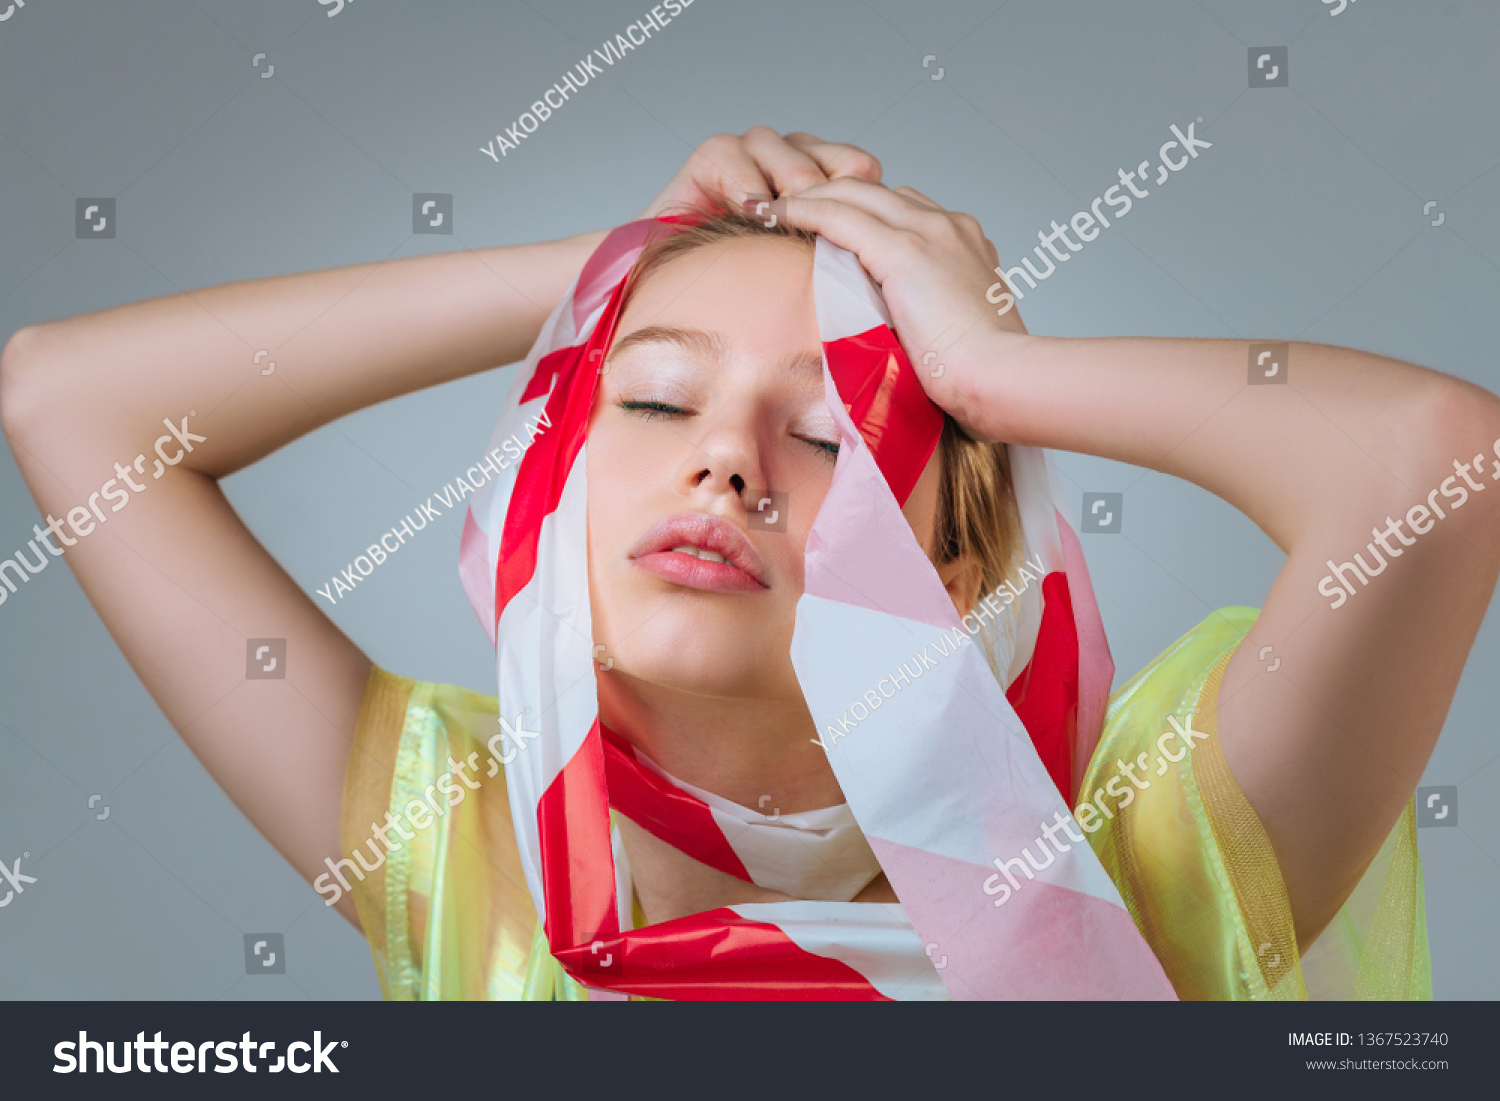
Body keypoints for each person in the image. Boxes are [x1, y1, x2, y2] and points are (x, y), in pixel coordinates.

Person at [3, 128, 1497, 1000]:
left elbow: (1433, 463)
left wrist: (986, 370)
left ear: (963, 564)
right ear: (547, 485)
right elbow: (68, 400)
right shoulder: (465, 849)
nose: (725, 461)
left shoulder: (1136, 858)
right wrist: (617, 262)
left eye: (837, 433)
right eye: (652, 398)